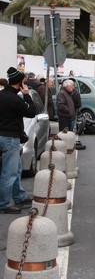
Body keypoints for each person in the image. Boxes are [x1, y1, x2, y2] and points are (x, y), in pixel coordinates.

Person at [0, 67, 36, 214]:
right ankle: (4, 204)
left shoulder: (2, 95)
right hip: (10, 138)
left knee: (17, 168)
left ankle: (19, 196)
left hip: (4, 136)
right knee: (9, 172)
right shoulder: (15, 99)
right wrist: (27, 95)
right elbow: (31, 112)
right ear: (20, 83)